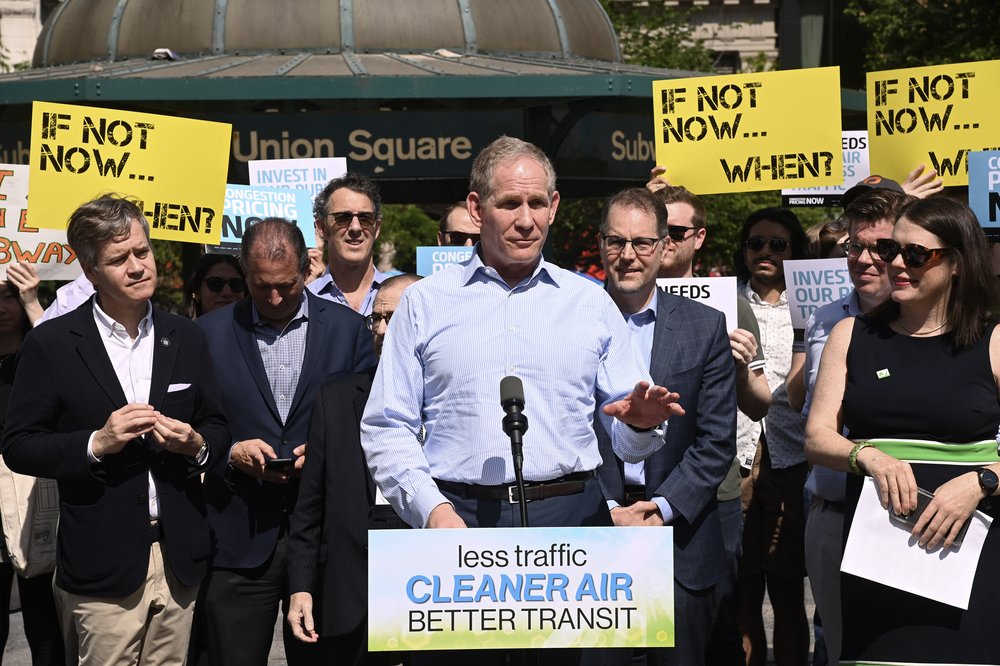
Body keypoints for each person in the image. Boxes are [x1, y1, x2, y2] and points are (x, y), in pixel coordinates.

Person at [361, 137, 683, 664]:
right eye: (510, 204)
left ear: (554, 207)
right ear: (475, 208)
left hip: (572, 524)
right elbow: (386, 426)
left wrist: (643, 425)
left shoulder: (589, 302)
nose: (526, 220)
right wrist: (431, 510)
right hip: (458, 525)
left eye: (537, 204)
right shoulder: (425, 302)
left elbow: (628, 432)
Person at [1, 195, 229, 666]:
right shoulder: (53, 342)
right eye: (119, 259)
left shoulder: (185, 336)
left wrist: (198, 444)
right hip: (101, 565)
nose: (138, 266)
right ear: (90, 270)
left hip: (179, 558)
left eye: (142, 252)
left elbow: (217, 424)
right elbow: (20, 446)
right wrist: (95, 442)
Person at [805, 196, 1000, 664]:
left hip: (970, 558)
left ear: (956, 262)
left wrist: (981, 481)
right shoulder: (851, 334)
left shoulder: (994, 338)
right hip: (877, 556)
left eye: (916, 254)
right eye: (894, 250)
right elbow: (817, 436)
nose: (896, 264)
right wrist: (869, 456)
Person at [196, 217, 376, 666]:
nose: (275, 298)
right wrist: (231, 452)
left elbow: (369, 422)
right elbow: (196, 425)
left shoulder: (348, 331)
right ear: (245, 276)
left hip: (322, 542)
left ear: (306, 269)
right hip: (237, 537)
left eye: (287, 285)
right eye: (260, 287)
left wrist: (327, 454)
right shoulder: (207, 335)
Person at [588, 187, 735, 666]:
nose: (628, 255)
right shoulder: (567, 321)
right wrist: (606, 507)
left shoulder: (704, 326)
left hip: (680, 544)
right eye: (616, 241)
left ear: (662, 246)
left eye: (642, 242)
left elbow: (715, 441)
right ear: (600, 243)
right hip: (592, 536)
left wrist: (661, 510)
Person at [648, 179, 771, 665]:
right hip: (636, 492)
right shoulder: (617, 298)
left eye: (677, 230)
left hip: (711, 491)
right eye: (660, 229)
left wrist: (741, 365)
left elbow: (760, 403)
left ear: (699, 237)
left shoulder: (731, 304)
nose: (668, 239)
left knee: (719, 624)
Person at [795, 188, 914, 665]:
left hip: (908, 520)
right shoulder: (826, 319)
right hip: (831, 512)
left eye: (880, 248)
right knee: (843, 652)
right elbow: (813, 421)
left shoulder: (945, 326)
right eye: (854, 247)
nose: (864, 259)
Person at [286, 273, 419, 664]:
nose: (380, 329)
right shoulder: (336, 399)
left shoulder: (457, 403)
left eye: (394, 318)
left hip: (433, 587)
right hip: (352, 593)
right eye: (375, 319)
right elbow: (308, 510)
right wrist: (302, 588)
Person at [732, 207, 811, 666]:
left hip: (793, 459)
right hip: (736, 458)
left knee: (786, 590)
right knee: (742, 589)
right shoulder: (721, 300)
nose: (765, 252)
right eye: (756, 243)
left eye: (777, 244)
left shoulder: (811, 307)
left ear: (794, 251)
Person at [0, 271, 64, 665]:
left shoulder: (42, 347)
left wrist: (31, 300)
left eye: (8, 295)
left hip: (35, 492)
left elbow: (67, 357)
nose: (1, 306)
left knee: (45, 621)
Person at [308, 172, 390, 315]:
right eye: (343, 218)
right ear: (322, 228)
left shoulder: (404, 296)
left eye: (365, 218)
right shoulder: (305, 300)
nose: (356, 227)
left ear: (377, 228)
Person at [183, 253, 245, 318]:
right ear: (196, 291)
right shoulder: (181, 328)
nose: (227, 292)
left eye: (236, 284)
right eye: (216, 283)